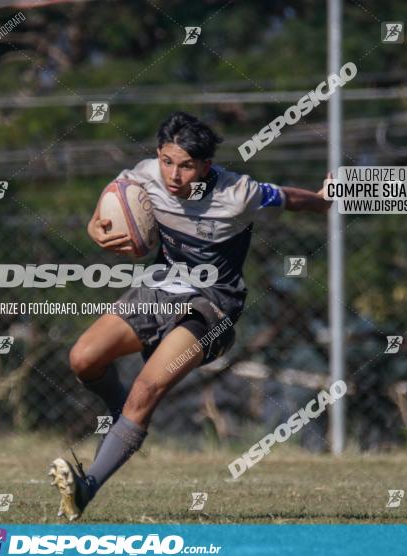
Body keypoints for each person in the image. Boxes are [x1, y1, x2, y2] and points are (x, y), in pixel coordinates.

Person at [48, 111, 330, 520]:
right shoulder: (144, 176)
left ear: (206, 166)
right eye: (167, 161)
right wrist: (97, 229)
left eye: (186, 166)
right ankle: (122, 416)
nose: (173, 175)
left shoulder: (239, 193)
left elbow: (287, 198)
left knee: (147, 389)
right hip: (157, 290)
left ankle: (86, 488)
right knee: (84, 358)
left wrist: (322, 200)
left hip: (212, 305)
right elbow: (110, 203)